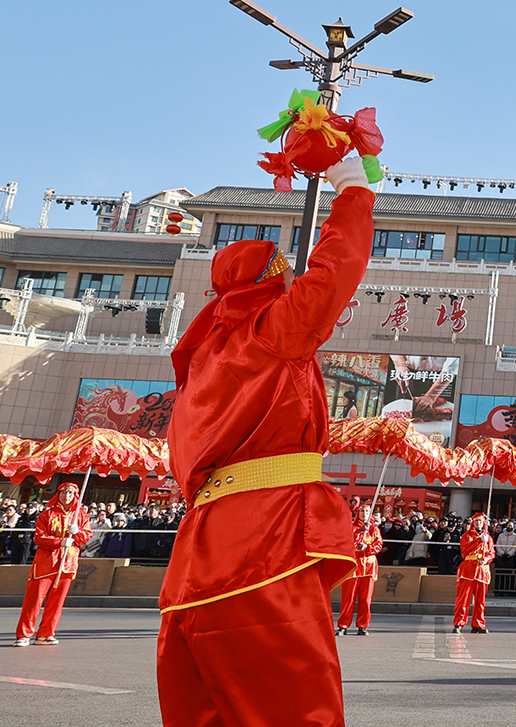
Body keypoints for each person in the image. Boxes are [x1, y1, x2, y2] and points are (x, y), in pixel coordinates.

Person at [154, 156, 373, 726]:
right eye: (284, 280)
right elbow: (337, 268)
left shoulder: (200, 365)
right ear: (272, 284)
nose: (292, 287)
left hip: (196, 563)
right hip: (262, 548)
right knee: (299, 709)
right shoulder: (272, 333)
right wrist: (352, 188)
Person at [12, 483, 92, 646]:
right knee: (34, 601)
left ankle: (46, 633)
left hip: (67, 563)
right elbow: (39, 538)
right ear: (58, 494)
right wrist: (60, 541)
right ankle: (24, 635)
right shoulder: (47, 515)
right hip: (46, 563)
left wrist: (77, 532)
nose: (67, 496)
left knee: (57, 602)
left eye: (70, 493)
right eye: (63, 492)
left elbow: (86, 536)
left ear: (75, 496)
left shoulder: (81, 516)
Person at [337, 504, 383, 636]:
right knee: (348, 598)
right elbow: (345, 543)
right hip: (353, 567)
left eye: (367, 511)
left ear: (370, 514)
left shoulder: (374, 529)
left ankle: (363, 625)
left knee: (366, 599)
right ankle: (343, 625)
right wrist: (359, 533)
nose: (364, 513)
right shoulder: (351, 527)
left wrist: (367, 548)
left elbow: (378, 544)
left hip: (368, 567)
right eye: (361, 511)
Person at [454, 513, 493, 634]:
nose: (478, 523)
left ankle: (478, 624)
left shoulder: (489, 538)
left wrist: (487, 559)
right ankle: (459, 623)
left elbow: (492, 553)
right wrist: (478, 541)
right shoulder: (467, 536)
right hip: (468, 570)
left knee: (480, 601)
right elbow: (465, 552)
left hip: (482, 570)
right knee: (463, 599)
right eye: (476, 521)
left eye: (480, 521)